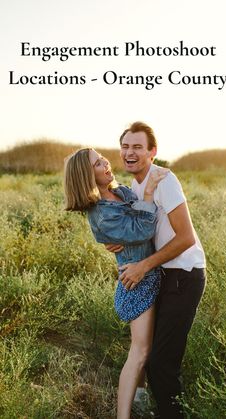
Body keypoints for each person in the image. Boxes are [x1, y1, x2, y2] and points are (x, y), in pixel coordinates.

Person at [106, 122, 206, 419]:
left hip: (184, 276)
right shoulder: (137, 186)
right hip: (162, 275)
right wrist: (118, 242)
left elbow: (185, 237)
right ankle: (154, 408)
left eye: (137, 147)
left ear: (152, 151)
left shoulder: (164, 180)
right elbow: (145, 229)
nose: (129, 152)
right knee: (150, 355)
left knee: (162, 362)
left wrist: (143, 266)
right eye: (125, 146)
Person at [63, 147, 168, 419]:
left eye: (102, 158)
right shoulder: (100, 212)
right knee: (140, 350)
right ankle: (123, 415)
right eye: (98, 163)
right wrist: (146, 198)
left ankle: (141, 401)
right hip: (137, 279)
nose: (106, 163)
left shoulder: (119, 191)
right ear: (87, 176)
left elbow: (140, 227)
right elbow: (145, 228)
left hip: (151, 269)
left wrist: (137, 219)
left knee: (152, 346)